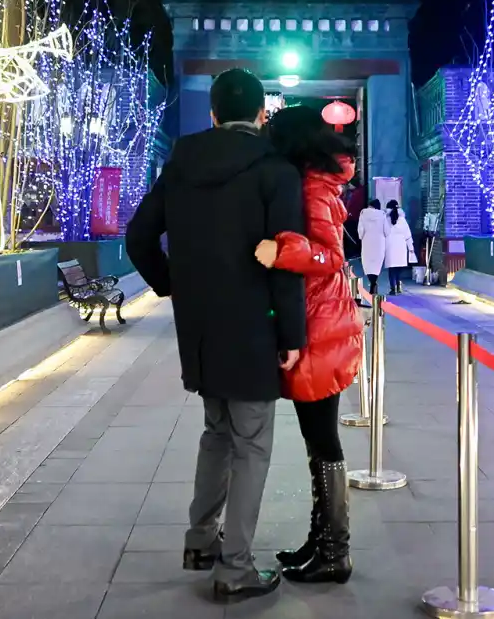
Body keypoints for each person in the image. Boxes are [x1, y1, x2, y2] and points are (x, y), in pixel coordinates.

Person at [126, 68, 307, 605]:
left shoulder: (180, 162)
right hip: (254, 325)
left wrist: (173, 285)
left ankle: (201, 540)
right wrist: (292, 332)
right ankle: (235, 568)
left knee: (217, 433)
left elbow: (139, 237)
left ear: (211, 115)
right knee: (252, 443)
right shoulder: (275, 170)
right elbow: (287, 259)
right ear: (260, 114)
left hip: (201, 327)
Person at [252, 106, 365, 585]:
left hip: (321, 324)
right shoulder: (315, 180)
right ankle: (320, 542)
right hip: (323, 317)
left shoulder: (313, 186)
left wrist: (283, 251)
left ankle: (335, 552)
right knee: (317, 441)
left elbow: (330, 254)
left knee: (323, 441)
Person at [383, 199, 415, 294]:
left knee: (391, 269)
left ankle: (393, 289)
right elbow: (408, 235)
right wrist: (411, 248)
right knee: (398, 269)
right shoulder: (403, 220)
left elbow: (383, 233)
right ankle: (398, 285)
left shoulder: (386, 219)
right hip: (401, 247)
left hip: (390, 246)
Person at [358, 198, 387, 296]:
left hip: (367, 242)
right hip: (379, 243)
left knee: (368, 264)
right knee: (376, 265)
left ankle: (372, 284)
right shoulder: (383, 215)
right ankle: (374, 284)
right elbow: (387, 231)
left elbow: (360, 231)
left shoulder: (363, 214)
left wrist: (361, 237)